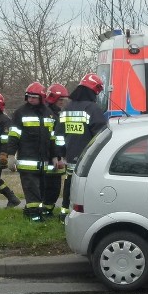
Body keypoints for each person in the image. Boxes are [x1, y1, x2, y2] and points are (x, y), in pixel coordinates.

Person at [2, 82, 60, 222]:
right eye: (28, 97)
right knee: (32, 189)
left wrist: (55, 156)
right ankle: (34, 216)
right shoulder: (20, 113)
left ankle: (30, 211)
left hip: (43, 162)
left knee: (40, 190)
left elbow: (53, 138)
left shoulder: (49, 114)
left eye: (34, 97)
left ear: (41, 98)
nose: (31, 99)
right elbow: (14, 136)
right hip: (27, 161)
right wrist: (10, 155)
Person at [57, 73, 107, 221]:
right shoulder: (92, 109)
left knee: (69, 184)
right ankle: (84, 215)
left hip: (70, 156)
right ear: (93, 91)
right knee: (85, 187)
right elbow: (100, 135)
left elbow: (59, 135)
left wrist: (60, 154)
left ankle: (64, 213)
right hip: (88, 158)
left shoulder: (67, 109)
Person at [43, 83, 69, 217]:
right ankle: (46, 210)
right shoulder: (48, 114)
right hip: (50, 156)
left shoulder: (57, 114)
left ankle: (47, 209)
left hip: (57, 155)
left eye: (64, 100)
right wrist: (57, 156)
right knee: (51, 186)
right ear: (52, 98)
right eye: (60, 99)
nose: (62, 102)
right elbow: (52, 137)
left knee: (53, 186)